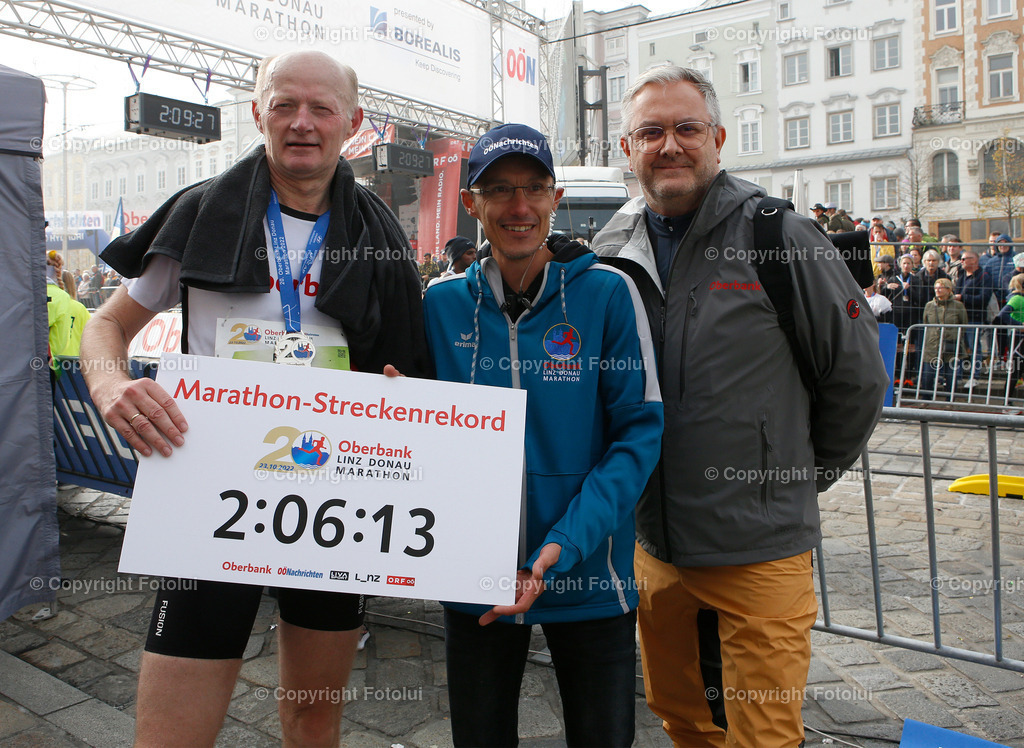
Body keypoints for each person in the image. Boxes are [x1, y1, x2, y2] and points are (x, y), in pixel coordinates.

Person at [79, 50, 429, 747]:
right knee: (171, 735)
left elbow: (407, 370)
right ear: (257, 112)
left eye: (321, 108)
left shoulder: (381, 234)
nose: (302, 122)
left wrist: (402, 400)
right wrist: (110, 383)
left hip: (330, 498)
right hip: (209, 494)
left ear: (352, 122)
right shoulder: (202, 211)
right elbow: (106, 325)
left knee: (313, 721)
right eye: (284, 105)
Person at [592, 65, 888, 748]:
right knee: (680, 717)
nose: (670, 145)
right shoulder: (610, 250)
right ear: (627, 148)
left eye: (687, 128)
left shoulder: (779, 235)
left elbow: (859, 379)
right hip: (656, 547)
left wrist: (792, 478)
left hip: (759, 553)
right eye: (651, 132)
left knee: (764, 737)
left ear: (718, 139)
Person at [421, 123, 663, 747]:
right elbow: (419, 438)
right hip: (475, 572)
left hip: (589, 571)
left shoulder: (608, 293)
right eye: (499, 190)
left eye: (533, 188)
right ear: (472, 204)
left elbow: (637, 435)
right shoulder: (440, 305)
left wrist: (565, 542)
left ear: (556, 198)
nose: (519, 206)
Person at [919, 278, 967, 398]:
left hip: (951, 345)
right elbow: (926, 322)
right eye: (936, 288)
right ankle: (926, 399)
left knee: (951, 375)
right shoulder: (929, 306)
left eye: (940, 287)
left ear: (949, 289)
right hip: (932, 345)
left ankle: (949, 400)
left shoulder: (958, 306)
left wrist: (954, 336)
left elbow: (963, 324)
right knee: (928, 375)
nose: (937, 290)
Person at [954, 249, 993, 388]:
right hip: (959, 317)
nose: (962, 261)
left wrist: (963, 297)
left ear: (974, 260)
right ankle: (957, 376)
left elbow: (984, 298)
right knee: (959, 347)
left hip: (974, 317)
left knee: (974, 347)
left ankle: (974, 376)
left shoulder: (984, 276)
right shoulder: (962, 275)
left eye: (965, 259)